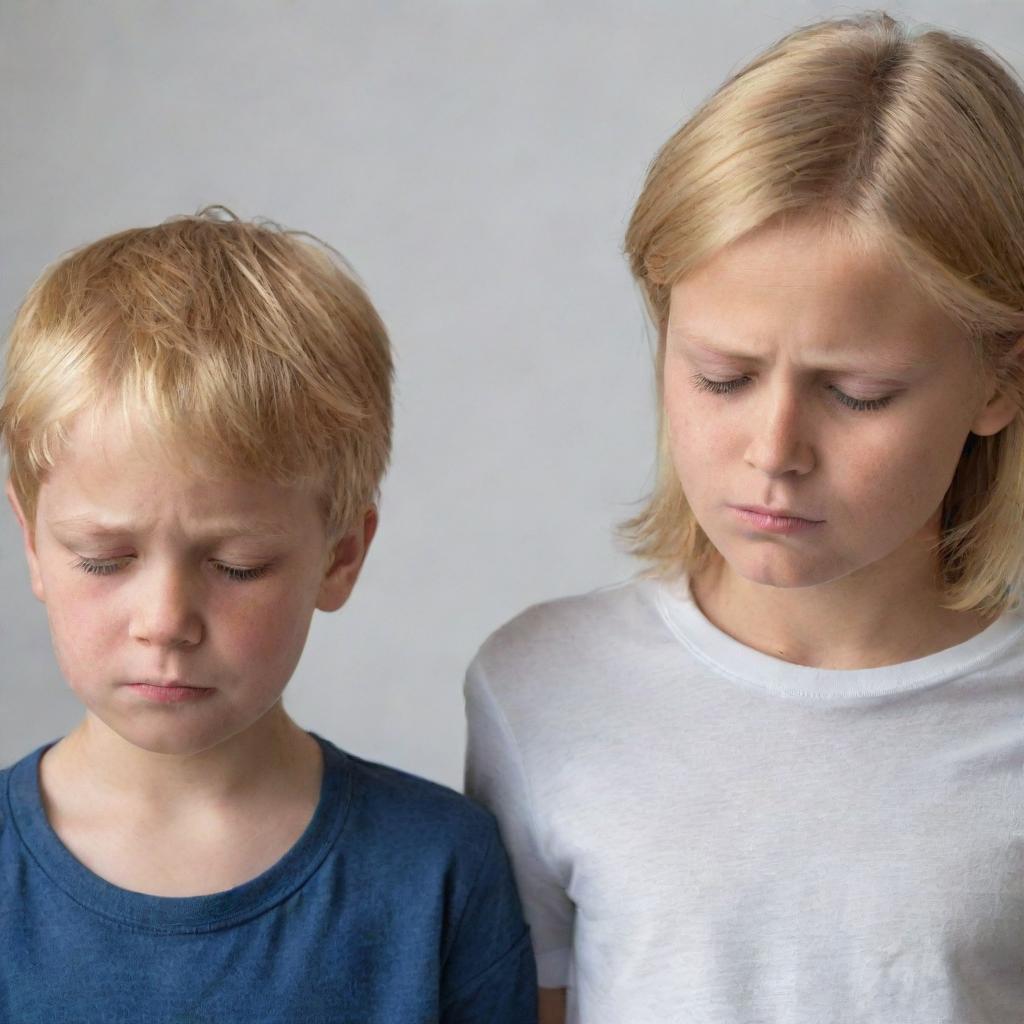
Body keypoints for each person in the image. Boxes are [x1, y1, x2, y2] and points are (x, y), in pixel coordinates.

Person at [464, 12, 1024, 1024]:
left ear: (1001, 377)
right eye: (722, 376)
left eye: (857, 393)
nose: (774, 451)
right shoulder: (538, 689)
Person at [0, 209, 536, 1023]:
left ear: (341, 555)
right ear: (32, 542)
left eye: (235, 566)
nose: (165, 621)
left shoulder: (437, 872)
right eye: (105, 559)